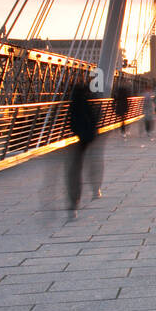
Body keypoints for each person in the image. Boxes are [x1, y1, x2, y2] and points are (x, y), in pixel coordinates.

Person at [66, 80, 102, 216]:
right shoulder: (90, 100)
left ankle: (74, 202)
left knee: (75, 170)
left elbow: (72, 122)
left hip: (78, 139)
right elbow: (95, 117)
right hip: (90, 137)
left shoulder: (74, 101)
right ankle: (95, 189)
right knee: (92, 163)